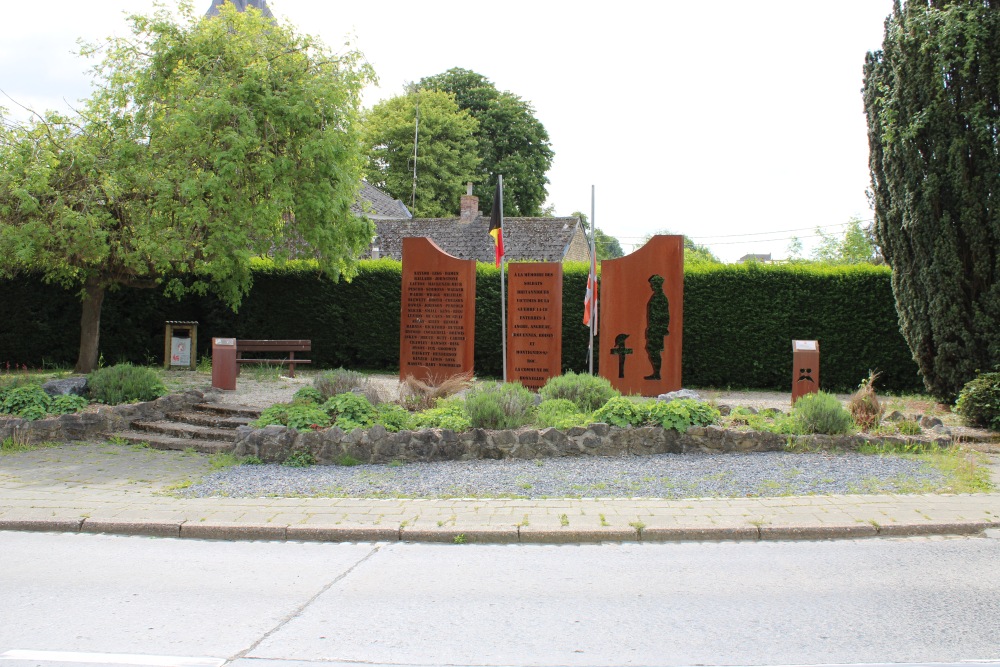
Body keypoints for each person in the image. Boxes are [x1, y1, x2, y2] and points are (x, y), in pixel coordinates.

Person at [644, 274, 670, 380]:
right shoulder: (657, 296)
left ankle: (657, 373)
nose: (651, 286)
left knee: (654, 351)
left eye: (653, 284)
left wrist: (662, 328)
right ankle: (656, 373)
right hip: (654, 329)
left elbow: (665, 315)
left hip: (657, 330)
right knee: (651, 349)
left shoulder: (661, 298)